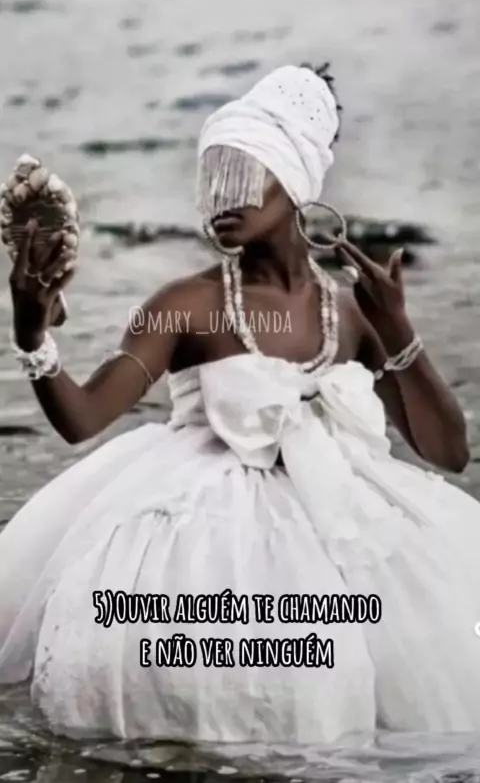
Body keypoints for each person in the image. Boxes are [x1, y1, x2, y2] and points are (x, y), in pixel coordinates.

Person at [0, 63, 479, 745]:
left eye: (245, 173)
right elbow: (82, 418)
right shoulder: (185, 304)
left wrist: (399, 331)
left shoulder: (353, 314)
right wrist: (32, 336)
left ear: (298, 179)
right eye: (213, 176)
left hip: (337, 524)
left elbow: (449, 452)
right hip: (199, 531)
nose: (223, 196)